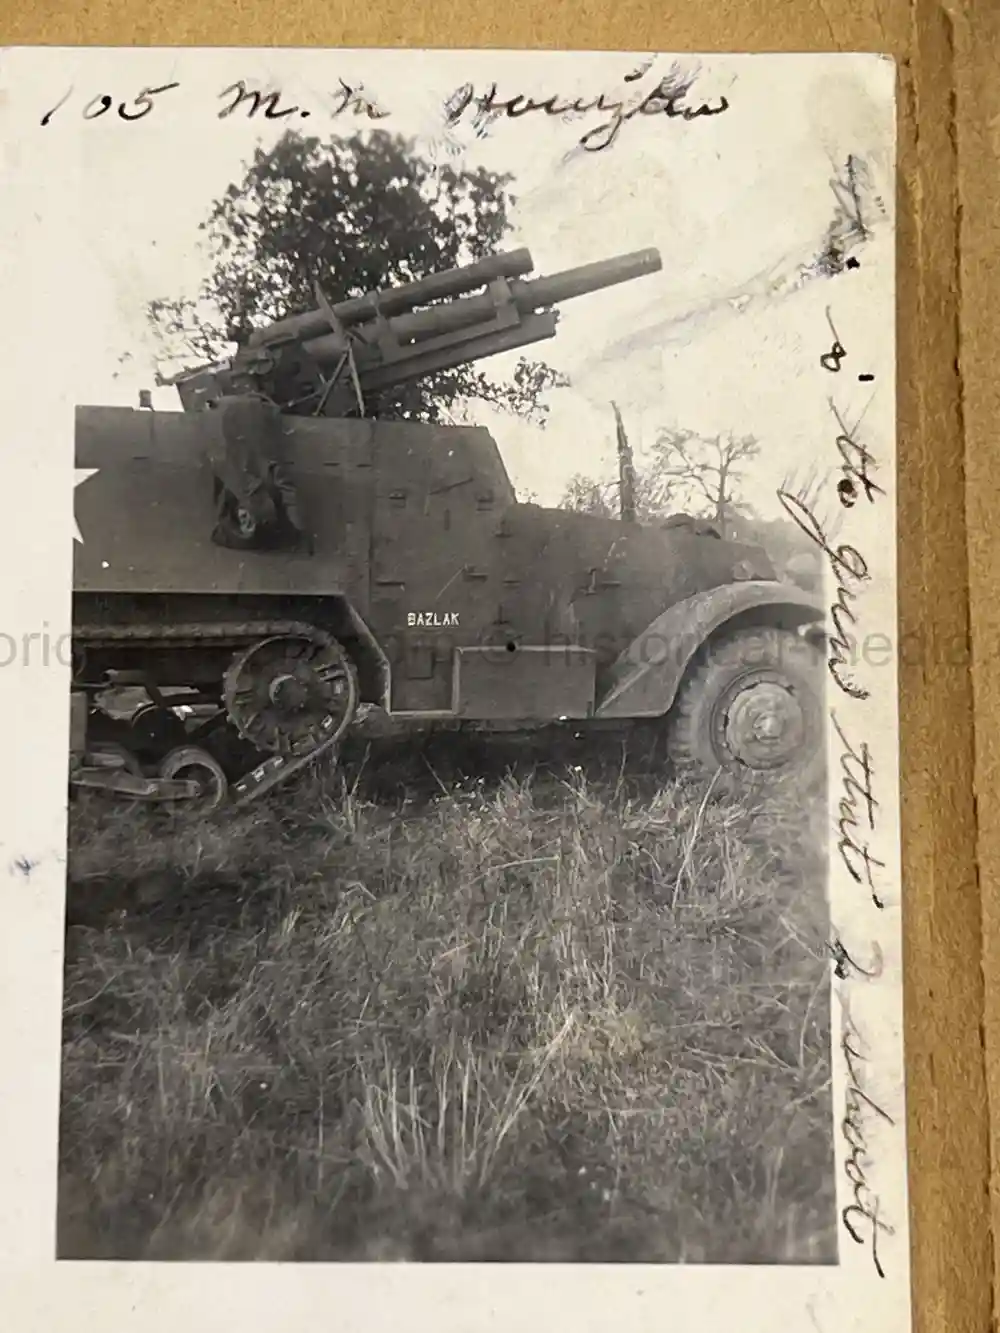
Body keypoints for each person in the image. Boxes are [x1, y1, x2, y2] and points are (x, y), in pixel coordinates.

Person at [207, 390, 313, 553]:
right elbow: (288, 492)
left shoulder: (231, 484)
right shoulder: (268, 479)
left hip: (230, 413)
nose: (244, 518)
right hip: (255, 411)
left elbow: (220, 480)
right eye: (249, 522)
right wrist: (300, 530)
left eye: (243, 522)